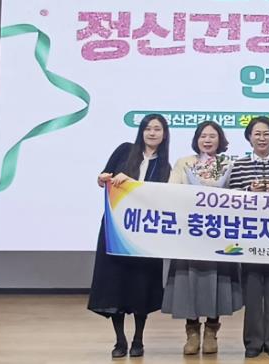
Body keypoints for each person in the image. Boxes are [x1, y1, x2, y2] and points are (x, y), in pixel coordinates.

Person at [88, 113, 172, 358]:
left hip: (144, 235)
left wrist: (132, 183)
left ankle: (138, 339)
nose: (152, 133)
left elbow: (159, 197)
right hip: (115, 229)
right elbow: (104, 177)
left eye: (157, 129)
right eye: (147, 128)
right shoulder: (124, 151)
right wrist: (102, 178)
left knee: (141, 286)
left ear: (164, 134)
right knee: (116, 283)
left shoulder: (165, 166)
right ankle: (120, 340)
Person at [161, 121, 241, 355]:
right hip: (190, 232)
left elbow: (237, 195)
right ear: (196, 139)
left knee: (217, 281)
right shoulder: (184, 163)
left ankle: (211, 332)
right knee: (189, 281)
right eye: (203, 136)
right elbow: (171, 190)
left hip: (218, 234)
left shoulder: (229, 164)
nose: (207, 140)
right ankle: (192, 332)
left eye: (212, 136)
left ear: (220, 140)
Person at [228, 116, 269, 358]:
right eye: (257, 134)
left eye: (267, 134)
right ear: (249, 138)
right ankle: (253, 342)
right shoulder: (239, 165)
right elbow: (231, 197)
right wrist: (249, 191)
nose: (262, 138)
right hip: (250, 236)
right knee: (253, 289)